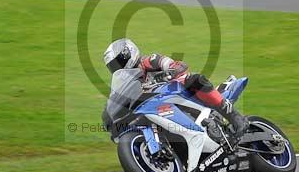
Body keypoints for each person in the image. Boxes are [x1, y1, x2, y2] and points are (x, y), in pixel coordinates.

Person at [103, 38, 249, 135]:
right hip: (156, 107)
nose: (117, 67)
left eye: (118, 62)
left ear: (128, 54)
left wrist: (170, 72)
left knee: (193, 79)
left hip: (176, 93)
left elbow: (176, 65)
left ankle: (234, 116)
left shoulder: (150, 61)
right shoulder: (126, 82)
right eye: (113, 66)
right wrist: (109, 117)